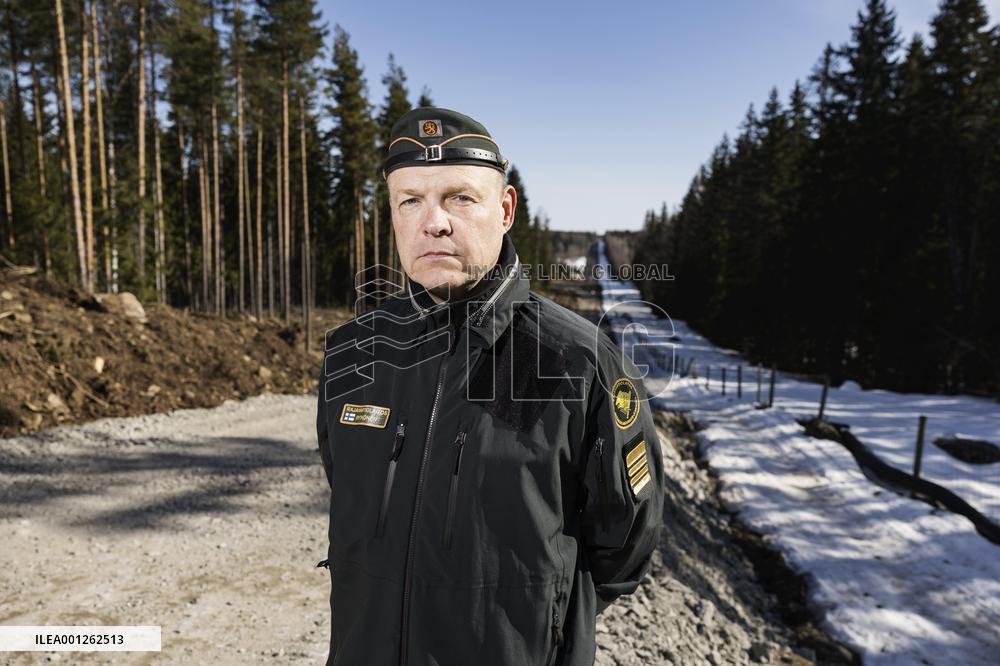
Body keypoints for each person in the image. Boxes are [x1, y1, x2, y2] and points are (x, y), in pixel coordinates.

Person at [316, 107, 663, 666]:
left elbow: (624, 543)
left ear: (504, 210)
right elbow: (347, 484)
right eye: (410, 200)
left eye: (459, 197)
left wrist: (538, 617)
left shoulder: (577, 362)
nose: (434, 222)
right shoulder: (353, 350)